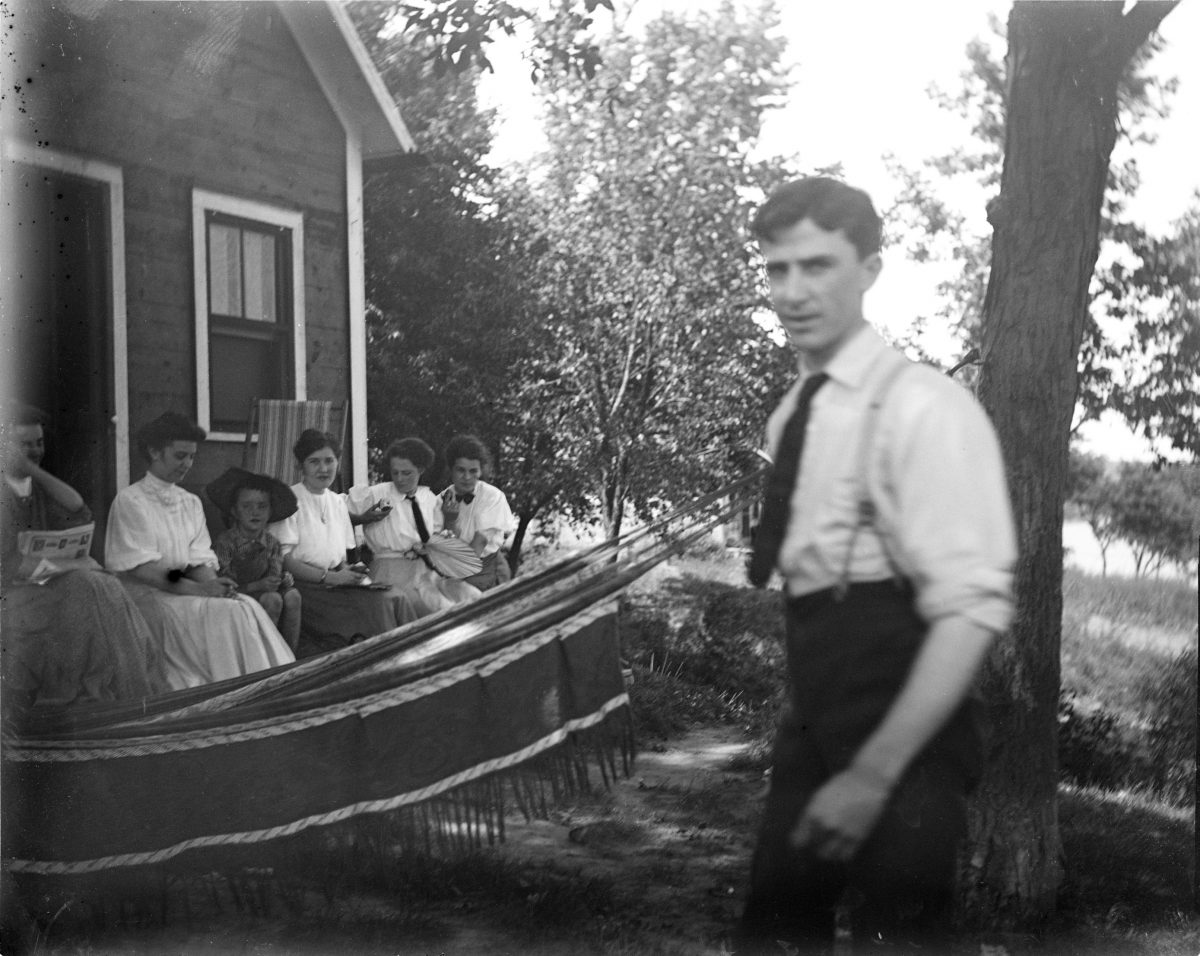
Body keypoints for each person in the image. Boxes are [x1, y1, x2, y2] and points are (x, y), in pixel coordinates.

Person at [734, 178, 1017, 954]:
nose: (793, 292)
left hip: (909, 721)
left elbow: (971, 609)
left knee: (903, 938)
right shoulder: (797, 409)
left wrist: (873, 774)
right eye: (776, 270)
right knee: (775, 929)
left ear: (871, 268)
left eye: (818, 266)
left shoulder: (925, 407)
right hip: (815, 713)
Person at [104, 412, 294, 689]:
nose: (187, 464)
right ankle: (228, 687)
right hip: (147, 595)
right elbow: (143, 569)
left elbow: (197, 561)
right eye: (180, 455)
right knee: (223, 613)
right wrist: (200, 591)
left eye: (192, 457)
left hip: (183, 590)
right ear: (154, 451)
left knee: (241, 605)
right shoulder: (131, 501)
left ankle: (265, 687)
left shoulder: (190, 503)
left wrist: (216, 586)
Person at [1, 404, 167, 716]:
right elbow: (7, 565)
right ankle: (109, 697)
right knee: (89, 584)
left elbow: (77, 509)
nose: (36, 450)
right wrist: (70, 567)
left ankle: (128, 695)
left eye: (39, 442)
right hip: (12, 593)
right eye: (25, 444)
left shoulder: (39, 488)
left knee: (104, 586)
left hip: (44, 586)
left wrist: (34, 471)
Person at [268, 429, 419, 653]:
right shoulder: (290, 501)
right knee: (381, 604)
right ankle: (390, 661)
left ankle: (417, 656)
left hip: (334, 585)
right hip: (307, 590)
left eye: (329, 461)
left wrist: (351, 573)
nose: (323, 469)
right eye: (314, 462)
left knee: (397, 597)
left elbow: (341, 559)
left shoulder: (337, 502)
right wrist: (332, 577)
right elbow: (285, 560)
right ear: (300, 466)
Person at [347, 437, 481, 618]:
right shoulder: (377, 495)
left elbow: (444, 542)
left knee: (474, 598)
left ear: (421, 469)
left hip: (425, 571)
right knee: (443, 611)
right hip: (391, 570)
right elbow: (336, 512)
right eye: (395, 473)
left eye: (407, 473)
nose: (400, 479)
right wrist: (363, 518)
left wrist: (450, 521)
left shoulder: (429, 499)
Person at [209, 467, 302, 653]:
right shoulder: (226, 542)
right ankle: (263, 656)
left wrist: (282, 580)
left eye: (262, 506)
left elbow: (274, 575)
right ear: (234, 511)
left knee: (293, 596)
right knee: (272, 599)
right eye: (247, 506)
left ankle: (289, 655)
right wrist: (258, 585)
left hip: (264, 591)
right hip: (235, 596)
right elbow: (224, 584)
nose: (255, 512)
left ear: (270, 512)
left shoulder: (272, 543)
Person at [437, 434, 515, 592]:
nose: (467, 477)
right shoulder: (440, 500)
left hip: (486, 567)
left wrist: (454, 579)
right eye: (461, 470)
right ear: (451, 469)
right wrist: (450, 521)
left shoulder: (492, 497)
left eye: (473, 471)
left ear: (481, 471)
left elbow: (480, 542)